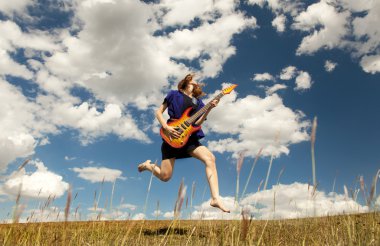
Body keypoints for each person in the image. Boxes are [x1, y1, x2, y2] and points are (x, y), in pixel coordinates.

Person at [138, 74, 230, 213]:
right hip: (172, 136)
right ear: (187, 82)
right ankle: (148, 165)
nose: (197, 82)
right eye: (194, 80)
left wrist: (209, 108)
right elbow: (158, 112)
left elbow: (197, 123)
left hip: (189, 139)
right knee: (165, 177)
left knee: (210, 158)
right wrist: (166, 128)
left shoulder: (199, 103)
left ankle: (215, 198)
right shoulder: (174, 94)